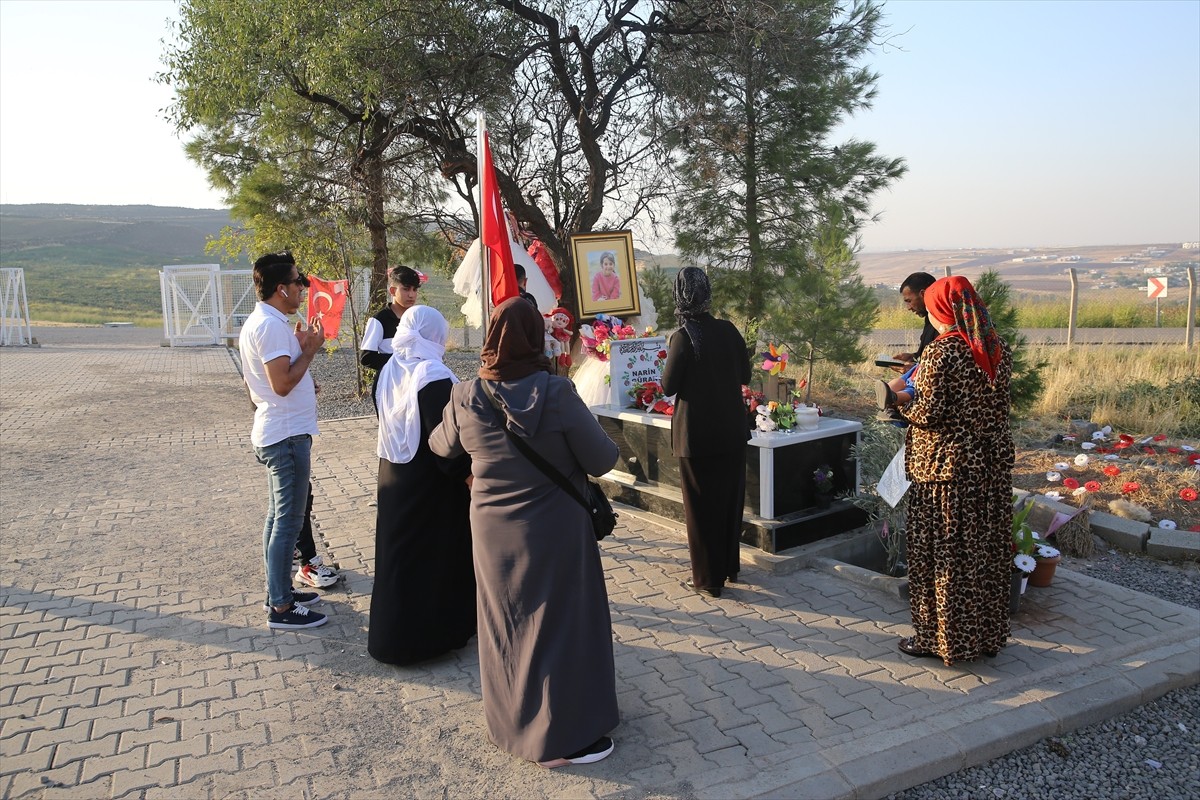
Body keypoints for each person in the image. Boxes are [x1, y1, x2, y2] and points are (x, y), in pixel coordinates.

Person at [429, 297, 620, 768]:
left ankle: (511, 725)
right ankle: (566, 739)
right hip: (556, 529)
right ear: (537, 336)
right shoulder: (557, 393)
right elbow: (602, 459)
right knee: (561, 627)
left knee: (506, 625)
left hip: (492, 531)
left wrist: (477, 468)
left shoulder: (466, 394)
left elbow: (438, 446)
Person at [894, 275, 1013, 666]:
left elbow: (927, 412)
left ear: (941, 308)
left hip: (944, 473)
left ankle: (940, 640)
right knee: (983, 554)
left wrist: (898, 400)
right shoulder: (996, 348)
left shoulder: (942, 353)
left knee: (944, 557)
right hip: (989, 471)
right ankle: (985, 636)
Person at [368, 306, 476, 664]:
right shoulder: (432, 375)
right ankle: (428, 640)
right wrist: (467, 475)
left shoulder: (389, 369)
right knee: (431, 558)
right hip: (429, 483)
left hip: (394, 475)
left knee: (398, 557)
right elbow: (443, 440)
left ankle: (389, 638)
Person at [239, 251, 328, 630]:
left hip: (280, 430)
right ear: (281, 288)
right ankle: (280, 606)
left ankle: (279, 593)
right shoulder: (271, 327)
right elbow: (281, 383)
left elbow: (262, 386)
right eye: (298, 283)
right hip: (286, 438)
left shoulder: (264, 323)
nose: (302, 290)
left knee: (279, 518)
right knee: (288, 522)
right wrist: (308, 352)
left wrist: (304, 375)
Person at [660, 267, 751, 599]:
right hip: (731, 430)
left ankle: (709, 579)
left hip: (696, 435)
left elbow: (668, 386)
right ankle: (730, 566)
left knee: (700, 508)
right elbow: (745, 374)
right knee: (729, 501)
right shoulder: (728, 330)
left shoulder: (683, 337)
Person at [360, 266, 423, 412]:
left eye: (415, 289)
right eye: (406, 289)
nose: (411, 295)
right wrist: (401, 361)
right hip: (389, 385)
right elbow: (367, 357)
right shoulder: (379, 320)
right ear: (393, 291)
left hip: (415, 384)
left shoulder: (419, 318)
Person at [876, 272, 938, 419]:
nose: (909, 307)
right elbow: (926, 352)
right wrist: (912, 356)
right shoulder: (930, 319)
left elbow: (941, 361)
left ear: (923, 294)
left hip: (927, 381)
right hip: (919, 372)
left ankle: (894, 400)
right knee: (894, 385)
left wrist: (915, 367)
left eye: (909, 301)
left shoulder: (943, 324)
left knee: (908, 389)